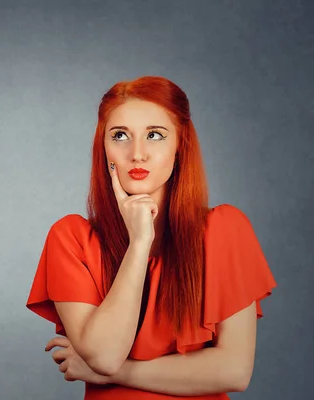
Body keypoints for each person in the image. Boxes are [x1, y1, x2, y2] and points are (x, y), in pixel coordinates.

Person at [25, 76, 277, 399]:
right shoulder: (71, 238)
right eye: (120, 136)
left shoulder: (225, 230)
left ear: (179, 146)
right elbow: (104, 355)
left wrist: (119, 374)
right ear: (103, 148)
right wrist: (139, 241)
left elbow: (234, 371)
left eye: (155, 135)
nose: (137, 154)